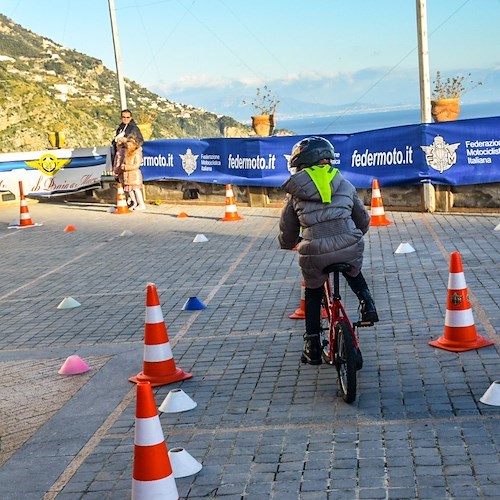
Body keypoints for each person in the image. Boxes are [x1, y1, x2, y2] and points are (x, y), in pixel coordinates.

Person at [279, 136, 379, 365]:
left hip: (314, 251)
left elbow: (288, 230)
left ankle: (312, 345)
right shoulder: (344, 183)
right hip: (349, 244)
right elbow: (363, 220)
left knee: (313, 292)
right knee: (353, 270)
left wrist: (287, 243)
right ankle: (367, 304)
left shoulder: (295, 192)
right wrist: (352, 235)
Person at [120, 135, 146, 210]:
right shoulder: (126, 153)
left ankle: (141, 203)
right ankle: (134, 203)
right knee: (129, 190)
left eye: (131, 145)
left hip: (134, 174)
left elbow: (137, 165)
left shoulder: (136, 153)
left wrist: (126, 167)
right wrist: (123, 166)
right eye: (128, 145)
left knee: (136, 189)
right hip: (127, 175)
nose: (129, 146)